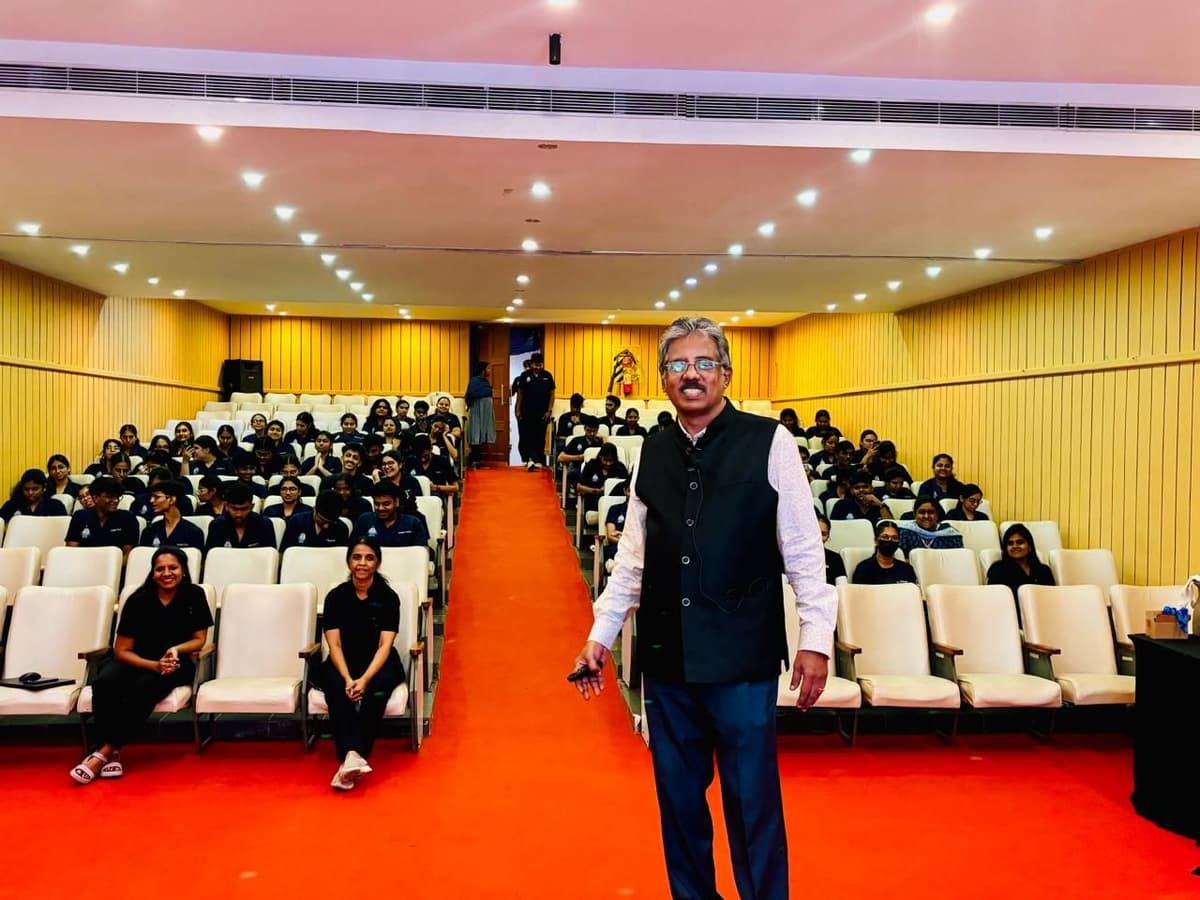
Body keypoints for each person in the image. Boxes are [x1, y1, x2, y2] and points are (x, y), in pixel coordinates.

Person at [572, 316, 835, 900]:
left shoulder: (770, 441)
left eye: (703, 363)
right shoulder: (652, 448)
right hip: (667, 665)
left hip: (741, 661)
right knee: (680, 805)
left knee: (752, 804)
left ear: (726, 373)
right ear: (663, 379)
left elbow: (802, 549)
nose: (691, 375)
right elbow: (633, 560)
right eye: (678, 365)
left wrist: (816, 639)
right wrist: (600, 633)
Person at [69, 546, 212, 784]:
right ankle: (111, 751)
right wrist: (153, 664)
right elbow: (122, 651)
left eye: (173, 567)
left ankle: (101, 752)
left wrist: (175, 649)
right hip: (137, 659)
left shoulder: (194, 595)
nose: (167, 573)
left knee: (144, 688)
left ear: (184, 570)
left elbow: (200, 639)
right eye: (160, 569)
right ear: (152, 572)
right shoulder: (138, 599)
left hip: (175, 663)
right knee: (104, 682)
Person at [318, 538, 406, 790]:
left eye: (369, 558)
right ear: (348, 561)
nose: (362, 563)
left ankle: (350, 756)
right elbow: (334, 645)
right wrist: (348, 678)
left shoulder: (388, 597)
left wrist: (364, 680)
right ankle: (353, 758)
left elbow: (385, 646)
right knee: (337, 690)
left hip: (379, 663)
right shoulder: (336, 597)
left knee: (374, 694)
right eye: (357, 557)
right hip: (345, 660)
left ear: (377, 563)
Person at [65, 477, 139, 555]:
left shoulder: (128, 518)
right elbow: (71, 552)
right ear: (96, 498)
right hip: (83, 563)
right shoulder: (80, 516)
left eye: (117, 497)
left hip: (115, 565)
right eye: (110, 497)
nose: (116, 500)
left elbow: (127, 556)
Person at [987, 523, 1056, 602]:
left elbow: (1052, 599)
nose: (1015, 546)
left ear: (1030, 547)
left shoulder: (1044, 571)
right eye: (1010, 543)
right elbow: (994, 601)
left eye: (1020, 542)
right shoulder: (997, 570)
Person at [351, 482, 430, 548]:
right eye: (377, 504)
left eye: (386, 504)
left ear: (396, 502)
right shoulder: (364, 520)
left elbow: (422, 554)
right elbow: (352, 549)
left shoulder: (413, 523)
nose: (381, 508)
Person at [204, 481, 277, 550]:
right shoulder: (216, 525)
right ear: (226, 506)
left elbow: (270, 557)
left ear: (252, 507)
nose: (239, 514)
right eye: (234, 509)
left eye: (244, 509)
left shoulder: (264, 524)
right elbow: (211, 558)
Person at [514, 352, 555, 471]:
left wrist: (549, 410)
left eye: (540, 365)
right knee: (527, 436)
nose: (538, 367)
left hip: (542, 412)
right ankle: (529, 460)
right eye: (535, 365)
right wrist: (517, 409)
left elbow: (552, 394)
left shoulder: (547, 375)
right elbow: (520, 393)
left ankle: (539, 461)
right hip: (526, 411)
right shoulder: (524, 375)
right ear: (531, 364)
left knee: (540, 437)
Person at [138, 480, 205, 548]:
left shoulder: (193, 533)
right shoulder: (149, 531)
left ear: (172, 499)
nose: (151, 500)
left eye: (157, 497)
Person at [280, 490, 350, 551]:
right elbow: (286, 552)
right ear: (314, 509)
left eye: (330, 522)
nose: (326, 526)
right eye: (322, 520)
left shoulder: (341, 528)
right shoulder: (297, 521)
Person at [852, 520, 918, 585]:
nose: (890, 541)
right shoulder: (864, 569)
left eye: (894, 538)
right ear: (876, 540)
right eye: (885, 537)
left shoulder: (907, 569)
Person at [896, 495, 964, 555]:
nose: (926, 516)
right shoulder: (905, 532)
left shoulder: (951, 535)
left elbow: (958, 559)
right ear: (914, 514)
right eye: (921, 512)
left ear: (937, 514)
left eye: (931, 512)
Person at [465, 361, 497, 469]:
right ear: (482, 371)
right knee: (476, 433)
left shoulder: (485, 381)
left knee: (482, 433)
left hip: (486, 411)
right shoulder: (474, 380)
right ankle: (475, 461)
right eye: (488, 369)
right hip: (478, 409)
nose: (489, 371)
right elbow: (469, 395)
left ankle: (478, 461)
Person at [816, 514, 846, 585]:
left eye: (823, 534)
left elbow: (842, 587)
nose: (819, 537)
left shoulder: (835, 558)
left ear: (828, 536)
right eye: (816, 532)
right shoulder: (794, 556)